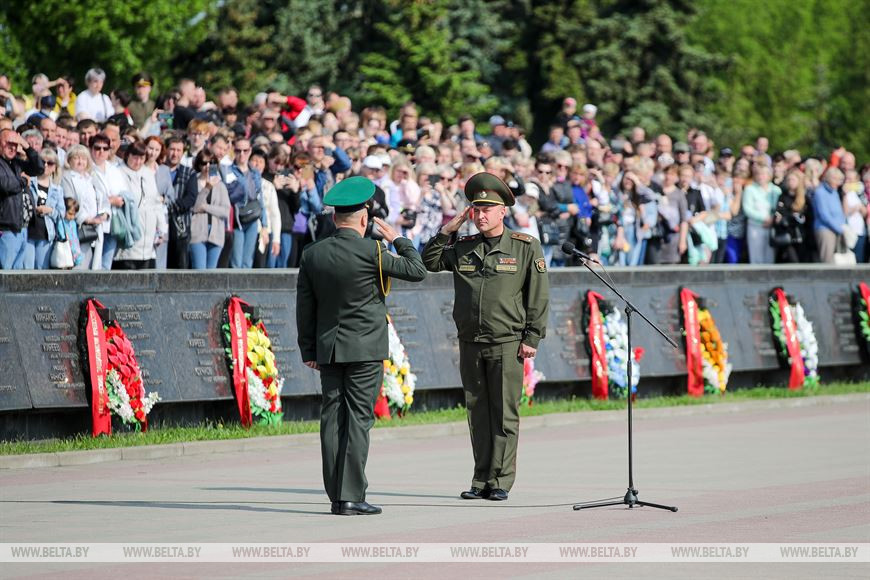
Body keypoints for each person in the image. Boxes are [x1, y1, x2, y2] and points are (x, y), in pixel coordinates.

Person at [296, 176, 427, 516]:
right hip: (365, 349)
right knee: (357, 420)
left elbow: (305, 306)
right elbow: (417, 270)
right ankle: (351, 495)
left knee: (332, 419)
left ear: (334, 217)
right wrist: (397, 238)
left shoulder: (313, 253)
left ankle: (337, 494)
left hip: (329, 349)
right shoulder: (373, 251)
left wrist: (308, 349)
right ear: (365, 218)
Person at [421, 172, 549, 502]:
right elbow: (429, 262)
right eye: (475, 210)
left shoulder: (523, 247)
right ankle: (480, 479)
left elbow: (538, 296)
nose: (480, 216)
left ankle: (501, 480)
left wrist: (532, 337)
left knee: (504, 414)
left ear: (503, 211)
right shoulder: (463, 247)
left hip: (507, 342)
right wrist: (449, 228)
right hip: (471, 341)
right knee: (477, 413)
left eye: (487, 209)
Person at [114, 142, 167, 269]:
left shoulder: (148, 174)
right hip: (129, 236)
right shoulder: (118, 172)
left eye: (142, 158)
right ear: (127, 156)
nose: (138, 162)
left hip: (148, 240)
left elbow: (155, 203)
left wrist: (161, 229)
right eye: (135, 157)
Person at [1, 129, 45, 269]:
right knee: (5, 274)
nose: (12, 147)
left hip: (21, 228)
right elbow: (5, 185)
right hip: (5, 228)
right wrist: (22, 181)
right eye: (9, 143)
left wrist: (26, 146)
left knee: (17, 276)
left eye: (15, 144)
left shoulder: (16, 163)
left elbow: (39, 168)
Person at [62, 144, 106, 270]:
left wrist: (104, 213)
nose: (80, 161)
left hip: (95, 228)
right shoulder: (67, 177)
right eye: (76, 158)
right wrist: (86, 219)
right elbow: (69, 201)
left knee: (94, 265)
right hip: (77, 228)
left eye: (83, 158)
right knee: (79, 266)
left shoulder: (91, 178)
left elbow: (102, 198)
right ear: (69, 160)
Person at [188, 150, 230, 269]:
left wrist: (205, 207)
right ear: (198, 165)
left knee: (212, 275)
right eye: (204, 163)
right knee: (199, 271)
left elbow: (225, 211)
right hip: (197, 232)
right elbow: (195, 207)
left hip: (216, 233)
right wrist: (207, 188)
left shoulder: (220, 185)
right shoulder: (193, 182)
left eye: (211, 163)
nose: (207, 166)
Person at [24, 148, 65, 269]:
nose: (46, 165)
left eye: (50, 163)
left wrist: (50, 210)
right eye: (42, 162)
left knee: (42, 270)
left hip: (46, 234)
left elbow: (62, 213)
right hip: (28, 231)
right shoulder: (29, 182)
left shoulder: (58, 189)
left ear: (54, 168)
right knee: (26, 269)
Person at [812, 168, 847, 263]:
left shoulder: (834, 192)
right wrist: (839, 228)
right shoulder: (820, 192)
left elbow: (839, 211)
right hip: (825, 229)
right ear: (830, 178)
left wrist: (843, 226)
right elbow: (824, 215)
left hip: (837, 229)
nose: (839, 183)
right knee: (827, 260)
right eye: (837, 180)